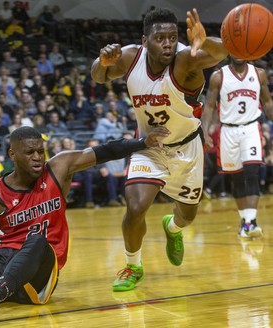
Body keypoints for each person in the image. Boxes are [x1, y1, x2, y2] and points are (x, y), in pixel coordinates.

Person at [0, 125, 169, 319]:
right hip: (2, 260)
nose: (38, 157)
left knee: (37, 240)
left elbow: (105, 150)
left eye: (41, 150)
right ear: (13, 155)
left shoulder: (58, 167)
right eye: (30, 153)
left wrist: (143, 141)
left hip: (38, 274)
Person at [91, 8, 228, 292]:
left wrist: (207, 41)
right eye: (160, 38)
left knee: (187, 216)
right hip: (148, 147)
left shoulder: (185, 62)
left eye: (173, 37)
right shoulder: (130, 58)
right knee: (136, 207)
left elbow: (221, 52)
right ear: (145, 41)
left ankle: (172, 228)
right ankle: (133, 265)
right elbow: (99, 76)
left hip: (187, 149)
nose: (168, 43)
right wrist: (101, 62)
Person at [202, 56, 273, 238]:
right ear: (229, 52)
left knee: (251, 172)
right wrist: (205, 131)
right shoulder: (219, 76)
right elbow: (209, 105)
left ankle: (251, 222)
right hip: (228, 131)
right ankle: (245, 222)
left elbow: (267, 102)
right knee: (236, 178)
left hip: (250, 128)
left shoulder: (259, 74)